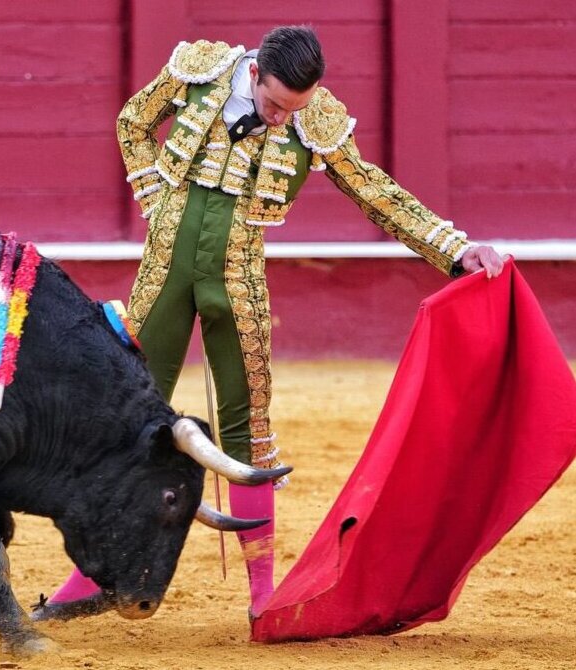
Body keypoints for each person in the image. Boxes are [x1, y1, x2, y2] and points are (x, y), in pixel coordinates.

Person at [32, 25, 504, 620]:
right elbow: (132, 121)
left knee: (249, 425)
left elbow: (375, 192)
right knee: (130, 419)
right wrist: (156, 196)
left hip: (239, 275)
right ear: (254, 73)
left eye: (295, 110)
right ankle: (90, 578)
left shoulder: (315, 118)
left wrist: (455, 249)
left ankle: (262, 596)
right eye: (275, 105)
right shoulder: (200, 70)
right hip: (163, 270)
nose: (283, 120)